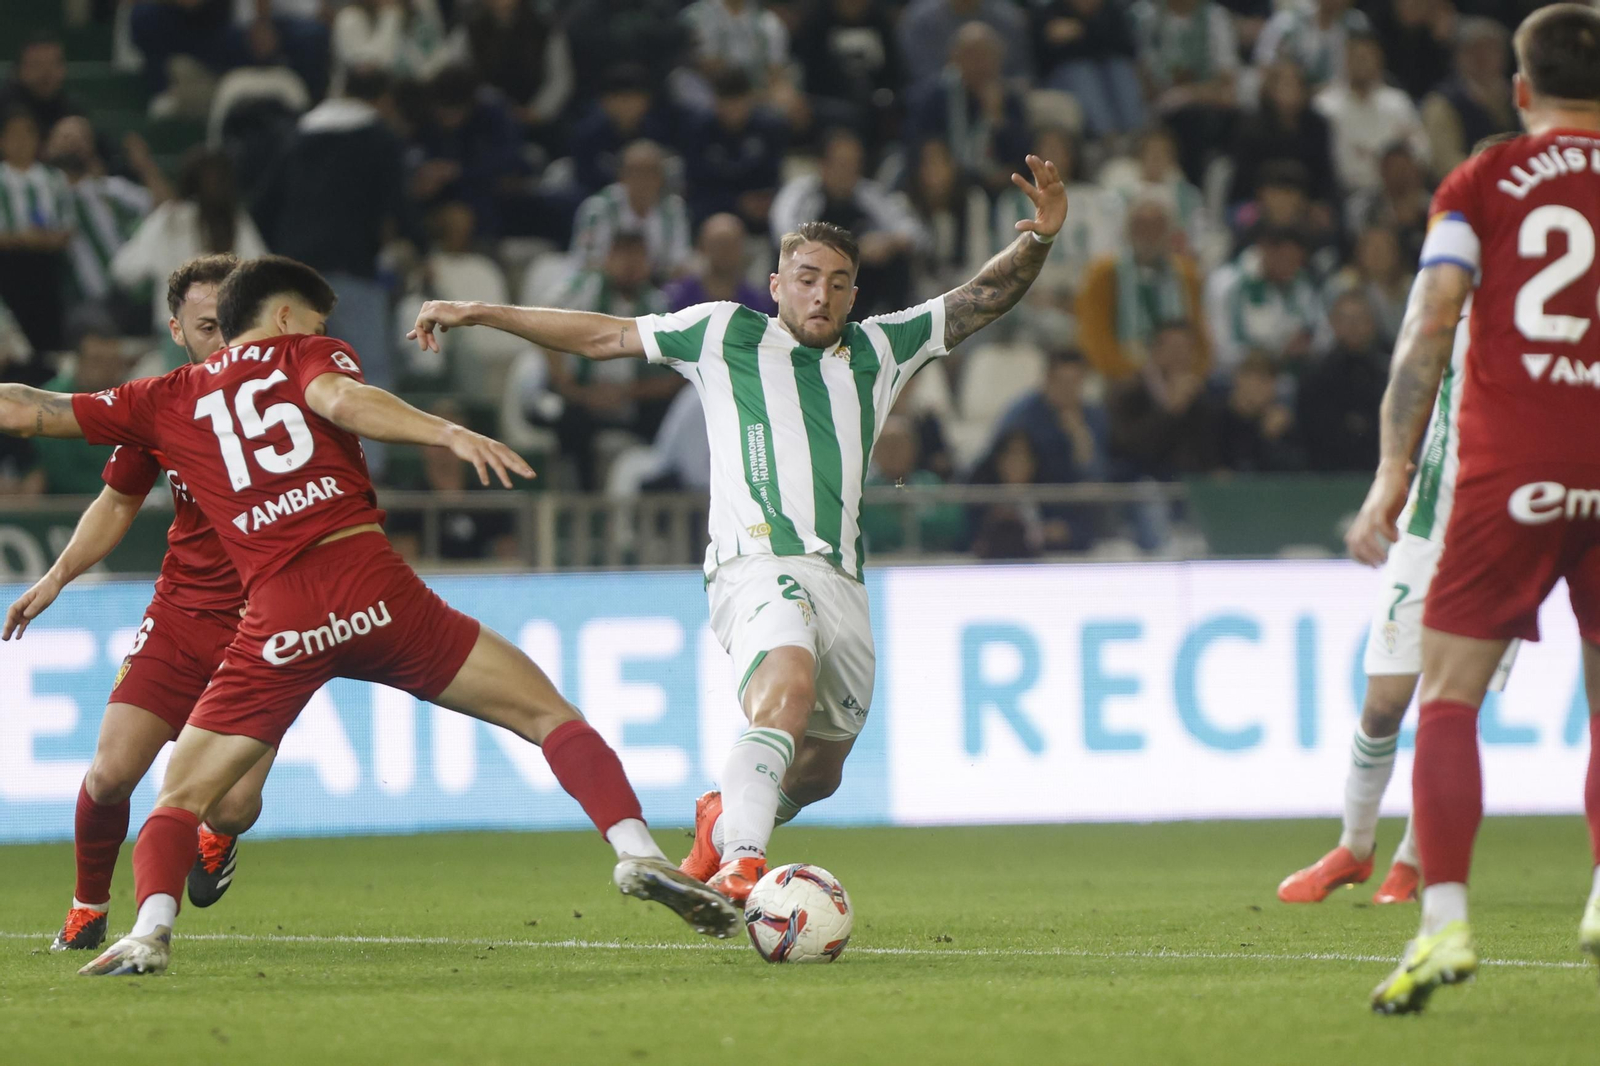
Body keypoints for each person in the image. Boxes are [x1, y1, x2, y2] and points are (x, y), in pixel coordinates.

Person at [0, 255, 739, 976]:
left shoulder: (163, 396)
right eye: (316, 321)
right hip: (373, 590)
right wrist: (444, 431)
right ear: (283, 316)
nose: (323, 333)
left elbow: (36, 409)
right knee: (548, 714)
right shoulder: (305, 354)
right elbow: (342, 401)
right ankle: (638, 851)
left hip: (278, 617)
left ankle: (149, 933)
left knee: (180, 797)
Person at [408, 155, 1068, 903]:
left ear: (854, 294)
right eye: (807, 278)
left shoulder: (881, 349)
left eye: (839, 282)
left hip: (842, 578)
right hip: (755, 562)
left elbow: (980, 298)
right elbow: (603, 337)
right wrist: (483, 311)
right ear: (777, 285)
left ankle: (721, 821)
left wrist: (1040, 239)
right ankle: (744, 863)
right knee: (785, 688)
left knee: (819, 771)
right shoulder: (724, 333)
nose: (822, 294)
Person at [1347, 5, 1600, 1012]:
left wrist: (1391, 469)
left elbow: (1430, 321)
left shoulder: (1481, 181)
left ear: (1521, 89)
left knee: (1447, 696)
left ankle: (1443, 922)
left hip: (1512, 467)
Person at [2, 255, 277, 954]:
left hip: (270, 623)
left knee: (232, 805)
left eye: (232, 322)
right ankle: (87, 908)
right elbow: (118, 499)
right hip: (181, 614)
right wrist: (57, 577)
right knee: (111, 773)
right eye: (207, 326)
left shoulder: (286, 395)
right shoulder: (161, 405)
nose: (223, 339)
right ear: (176, 330)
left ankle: (219, 834)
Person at [112, 148, 269, 340]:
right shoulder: (236, 221)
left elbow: (124, 270)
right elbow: (262, 275)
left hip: (179, 332)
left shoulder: (169, 219)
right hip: (230, 331)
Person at [769, 127, 922, 315]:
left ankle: (894, 324)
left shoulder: (868, 194)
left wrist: (889, 242)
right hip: (811, 280)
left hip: (859, 284)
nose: (848, 172)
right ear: (823, 164)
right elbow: (787, 240)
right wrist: (854, 250)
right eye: (841, 164)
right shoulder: (799, 195)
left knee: (898, 262)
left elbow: (913, 232)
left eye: (855, 164)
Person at [1075, 198, 1209, 382]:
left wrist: (1193, 373)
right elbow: (1094, 336)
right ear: (1127, 231)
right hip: (1120, 377)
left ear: (1169, 233)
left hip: (1179, 377)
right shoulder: (1102, 274)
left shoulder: (1187, 274)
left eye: (1157, 228)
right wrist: (1137, 375)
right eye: (1141, 227)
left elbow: (1199, 334)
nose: (1148, 236)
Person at [1313, 32, 1430, 196]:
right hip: (1343, 193)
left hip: (1394, 194)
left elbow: (1422, 150)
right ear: (1345, 60)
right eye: (1356, 56)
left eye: (1367, 56)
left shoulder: (1398, 103)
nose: (1362, 62)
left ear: (1379, 60)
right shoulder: (1325, 106)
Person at [570, 140, 693, 284]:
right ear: (621, 175)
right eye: (635, 172)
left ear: (661, 177)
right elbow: (586, 260)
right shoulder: (598, 208)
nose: (642, 179)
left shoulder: (673, 209)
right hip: (605, 285)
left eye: (650, 172)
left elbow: (680, 262)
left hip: (657, 285)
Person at [664, 213, 777, 314]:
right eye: (718, 244)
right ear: (702, 247)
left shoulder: (759, 304)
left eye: (731, 245)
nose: (725, 252)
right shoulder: (676, 297)